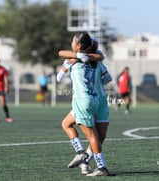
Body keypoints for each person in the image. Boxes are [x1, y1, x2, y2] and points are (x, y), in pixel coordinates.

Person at [58, 37, 112, 175]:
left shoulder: (72, 60)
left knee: (91, 135)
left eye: (73, 42)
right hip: (99, 99)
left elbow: (59, 77)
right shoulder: (98, 61)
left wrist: (75, 62)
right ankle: (86, 161)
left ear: (79, 46)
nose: (71, 43)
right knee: (98, 136)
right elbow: (108, 79)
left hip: (82, 100)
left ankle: (95, 163)